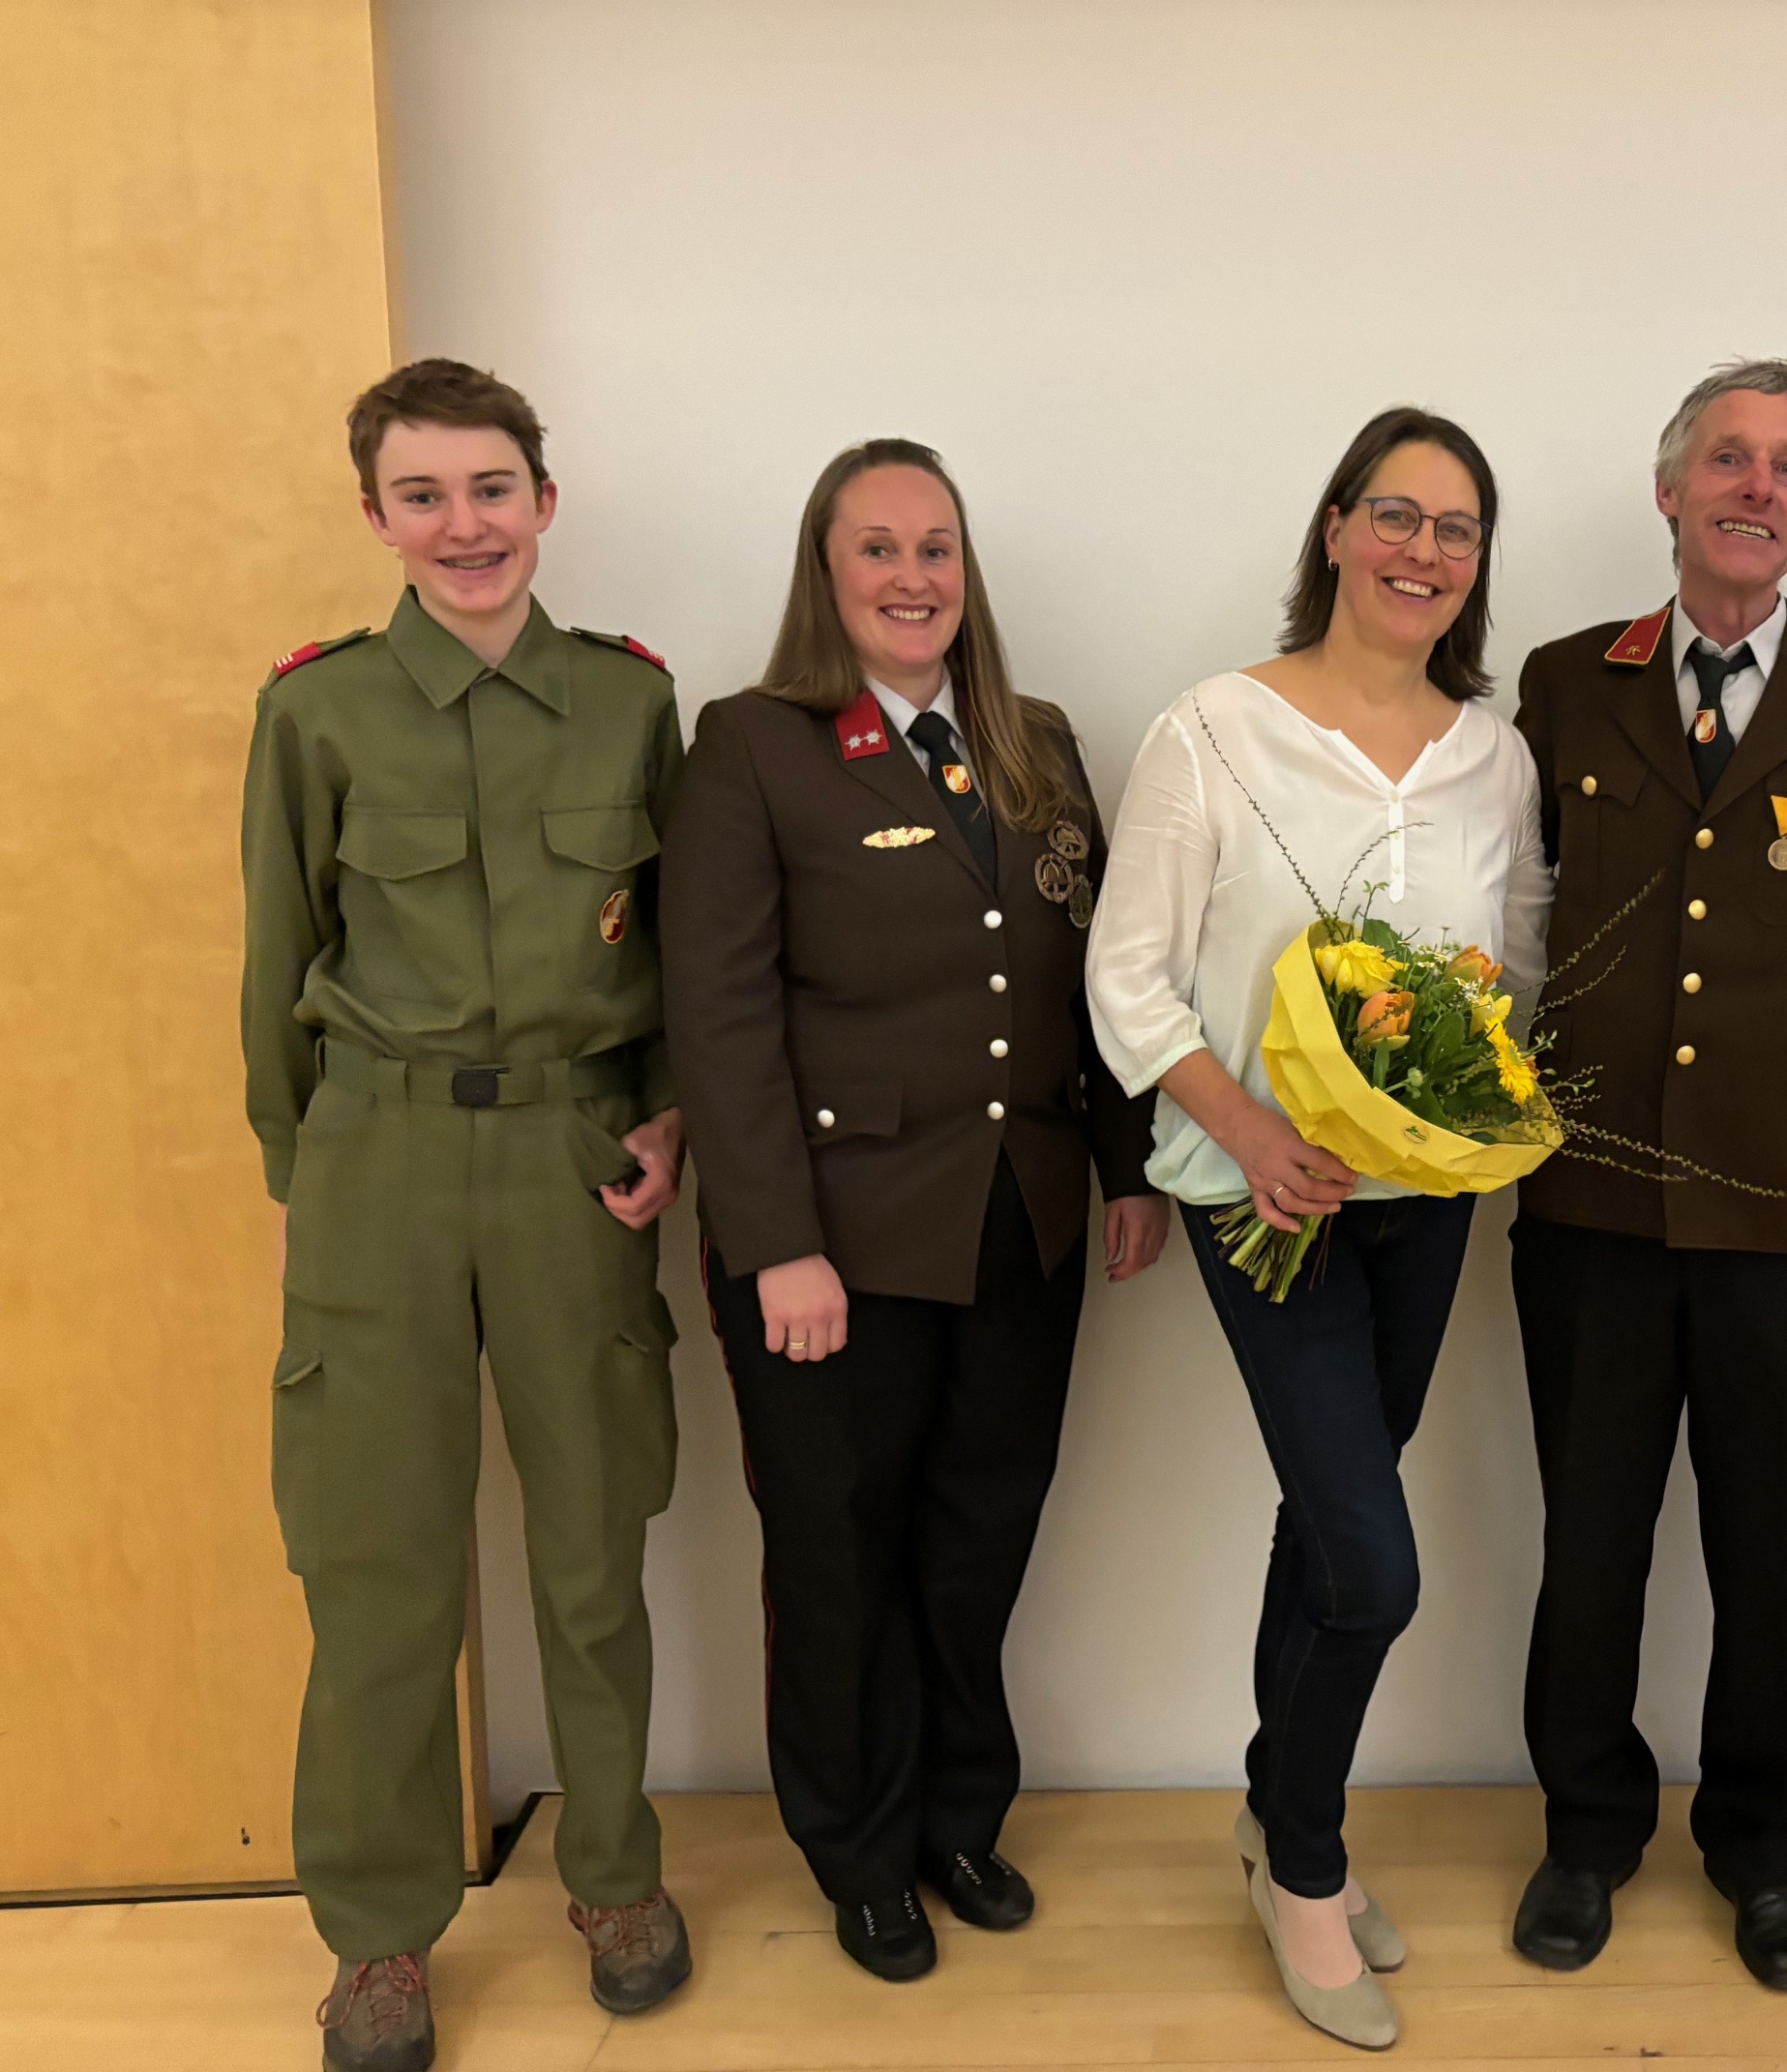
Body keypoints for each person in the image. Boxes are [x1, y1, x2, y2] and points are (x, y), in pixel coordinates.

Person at [660, 439, 1164, 1983]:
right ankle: (862, 1848)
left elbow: (1099, 969)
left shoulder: (1034, 741)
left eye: (935, 546)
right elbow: (720, 1014)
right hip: (837, 1238)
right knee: (839, 1550)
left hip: (1020, 1219)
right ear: (826, 574)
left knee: (976, 1534)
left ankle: (958, 1815)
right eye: (875, 547)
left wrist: (1127, 1163)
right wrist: (776, 1245)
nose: (911, 575)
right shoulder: (754, 744)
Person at [241, 358, 693, 2072]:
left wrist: (665, 1115)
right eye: (421, 495)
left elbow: (675, 948)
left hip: (576, 1162)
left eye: (491, 487)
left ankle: (615, 1874)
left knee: (594, 1547)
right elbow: (277, 965)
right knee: (377, 1569)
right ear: (377, 517)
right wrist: (305, 1181)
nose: (464, 524)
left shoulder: (631, 701)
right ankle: (376, 1933)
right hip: (382, 1163)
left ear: (544, 499)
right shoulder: (319, 713)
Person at [1087, 407, 1547, 2050]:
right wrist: (1253, 1133)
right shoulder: (1213, 730)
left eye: (1457, 529)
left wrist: (1468, 1098)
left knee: (1326, 1521)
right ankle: (1303, 1862)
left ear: (1478, 564)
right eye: (1396, 515)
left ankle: (1274, 1801)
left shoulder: (1494, 754)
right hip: (1259, 1199)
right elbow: (1127, 975)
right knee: (1374, 1562)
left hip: (1422, 1208)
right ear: (1338, 528)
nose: (1425, 550)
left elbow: (1515, 968)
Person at [1504, 358, 1787, 1993]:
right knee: (1591, 1538)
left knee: (1770, 1555)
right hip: (1593, 1204)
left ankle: (1765, 1851)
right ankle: (1585, 1831)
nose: (1757, 488)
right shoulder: (1567, 682)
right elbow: (1506, 926)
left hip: (1782, 1215)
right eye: (1728, 459)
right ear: (1670, 488)